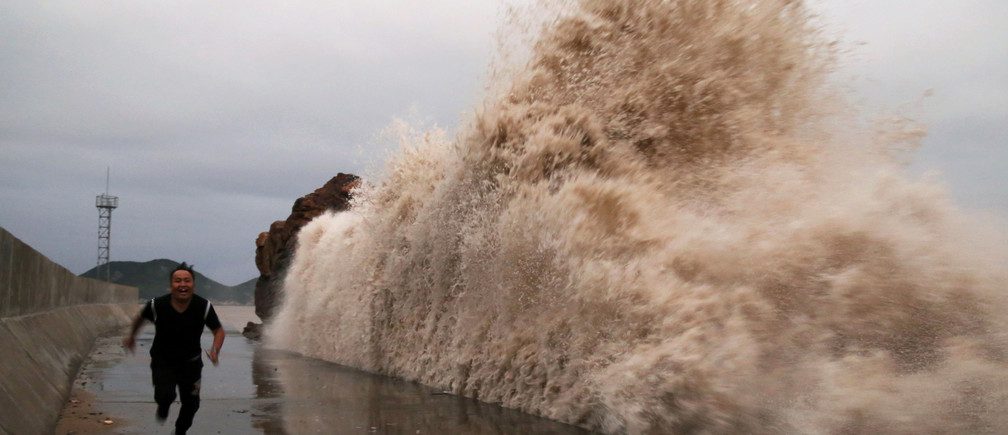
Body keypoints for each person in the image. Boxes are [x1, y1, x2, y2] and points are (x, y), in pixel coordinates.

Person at [123, 262, 225, 435]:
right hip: (163, 362)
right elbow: (140, 319)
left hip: (191, 365)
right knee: (165, 395)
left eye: (187, 281)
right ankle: (163, 405)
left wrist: (215, 350)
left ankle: (179, 431)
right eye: (178, 281)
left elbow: (218, 330)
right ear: (171, 285)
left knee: (192, 404)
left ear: (193, 284)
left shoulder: (203, 306)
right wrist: (132, 336)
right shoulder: (157, 305)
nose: (182, 285)